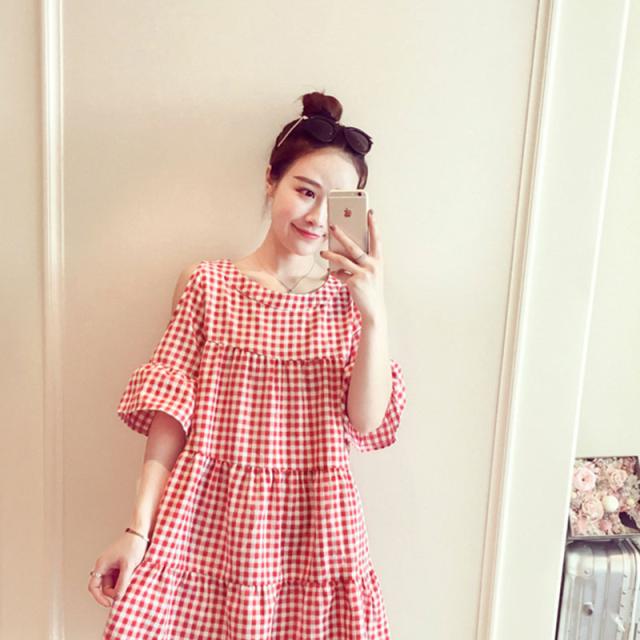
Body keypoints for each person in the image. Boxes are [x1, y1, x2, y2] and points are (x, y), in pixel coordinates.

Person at [89, 90, 408, 639]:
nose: (316, 217)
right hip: (206, 524)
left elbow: (366, 422)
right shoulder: (208, 285)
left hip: (315, 531)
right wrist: (137, 531)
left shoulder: (347, 304)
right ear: (271, 181)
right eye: (304, 191)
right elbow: (169, 419)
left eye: (336, 203)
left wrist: (374, 312)